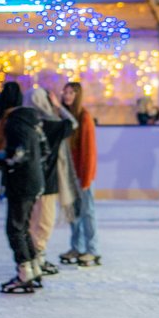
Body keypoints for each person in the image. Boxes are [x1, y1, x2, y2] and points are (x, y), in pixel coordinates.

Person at [0, 82, 47, 293]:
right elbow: (44, 150)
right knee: (22, 228)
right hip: (34, 180)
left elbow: (18, 154)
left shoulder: (13, 123)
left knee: (14, 228)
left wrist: (0, 161)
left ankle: (25, 273)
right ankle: (34, 268)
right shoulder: (32, 121)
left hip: (21, 183)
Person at [24, 87, 79, 278]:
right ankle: (37, 256)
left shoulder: (24, 124)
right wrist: (58, 107)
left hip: (27, 182)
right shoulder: (51, 124)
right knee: (45, 222)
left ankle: (31, 257)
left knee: (31, 222)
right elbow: (72, 123)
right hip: (48, 182)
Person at [59, 82, 101, 267]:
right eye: (65, 92)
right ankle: (77, 246)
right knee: (73, 212)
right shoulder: (65, 118)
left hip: (81, 173)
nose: (68, 96)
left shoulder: (84, 117)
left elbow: (89, 151)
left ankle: (92, 250)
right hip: (67, 173)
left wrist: (86, 177)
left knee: (87, 211)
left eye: (72, 93)